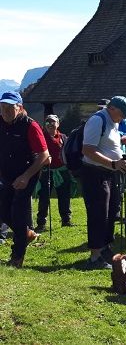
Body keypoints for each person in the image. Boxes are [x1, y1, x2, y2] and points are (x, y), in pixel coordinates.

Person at [80, 96, 126, 269]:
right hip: (95, 174)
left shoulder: (114, 122)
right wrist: (113, 163)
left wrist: (118, 162)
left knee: (110, 212)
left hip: (110, 174)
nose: (123, 118)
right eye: (122, 114)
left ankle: (105, 249)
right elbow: (87, 150)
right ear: (113, 109)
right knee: (98, 213)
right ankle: (95, 256)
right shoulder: (97, 120)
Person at [0, 91, 49, 268]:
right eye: (2, 107)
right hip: (6, 174)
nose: (5, 111)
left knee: (18, 215)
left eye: (9, 107)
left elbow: (44, 155)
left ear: (19, 108)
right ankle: (26, 234)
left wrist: (26, 176)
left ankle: (17, 257)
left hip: (27, 173)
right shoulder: (1, 123)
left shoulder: (30, 126)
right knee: (3, 212)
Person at [35, 114, 74, 231]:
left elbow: (68, 152)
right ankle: (41, 223)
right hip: (46, 171)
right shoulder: (41, 136)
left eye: (53, 123)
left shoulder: (63, 137)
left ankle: (66, 220)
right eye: (48, 123)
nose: (50, 125)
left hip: (62, 171)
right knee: (44, 197)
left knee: (64, 196)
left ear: (58, 124)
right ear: (44, 125)